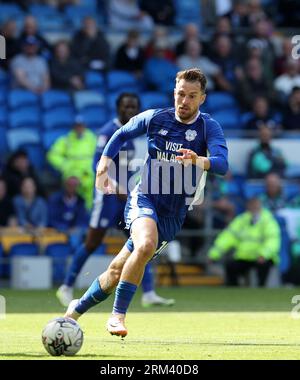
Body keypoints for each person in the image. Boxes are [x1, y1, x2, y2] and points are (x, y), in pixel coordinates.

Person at [65, 68, 228, 337]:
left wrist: (199, 160)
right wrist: (104, 163)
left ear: (202, 99)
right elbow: (121, 134)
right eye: (180, 94)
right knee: (145, 244)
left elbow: (222, 164)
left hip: (173, 215)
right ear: (173, 93)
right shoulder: (156, 118)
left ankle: (75, 310)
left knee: (117, 271)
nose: (184, 101)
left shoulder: (208, 127)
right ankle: (117, 316)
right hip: (145, 198)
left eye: (191, 96)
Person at [57, 93, 175, 308]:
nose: (130, 110)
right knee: (92, 243)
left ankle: (148, 293)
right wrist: (116, 187)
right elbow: (97, 166)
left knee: (140, 242)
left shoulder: (133, 135)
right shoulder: (108, 132)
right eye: (126, 106)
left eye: (134, 107)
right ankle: (66, 286)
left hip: (126, 199)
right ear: (118, 108)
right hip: (106, 198)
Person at [208, 197, 280, 286]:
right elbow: (227, 237)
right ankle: (234, 292)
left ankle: (261, 290)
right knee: (230, 266)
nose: (253, 209)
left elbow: (272, 241)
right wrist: (213, 254)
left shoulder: (268, 221)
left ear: (260, 207)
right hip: (244, 257)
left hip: (261, 257)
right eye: (251, 206)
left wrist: (263, 254)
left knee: (263, 267)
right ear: (248, 207)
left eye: (256, 206)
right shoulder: (241, 220)